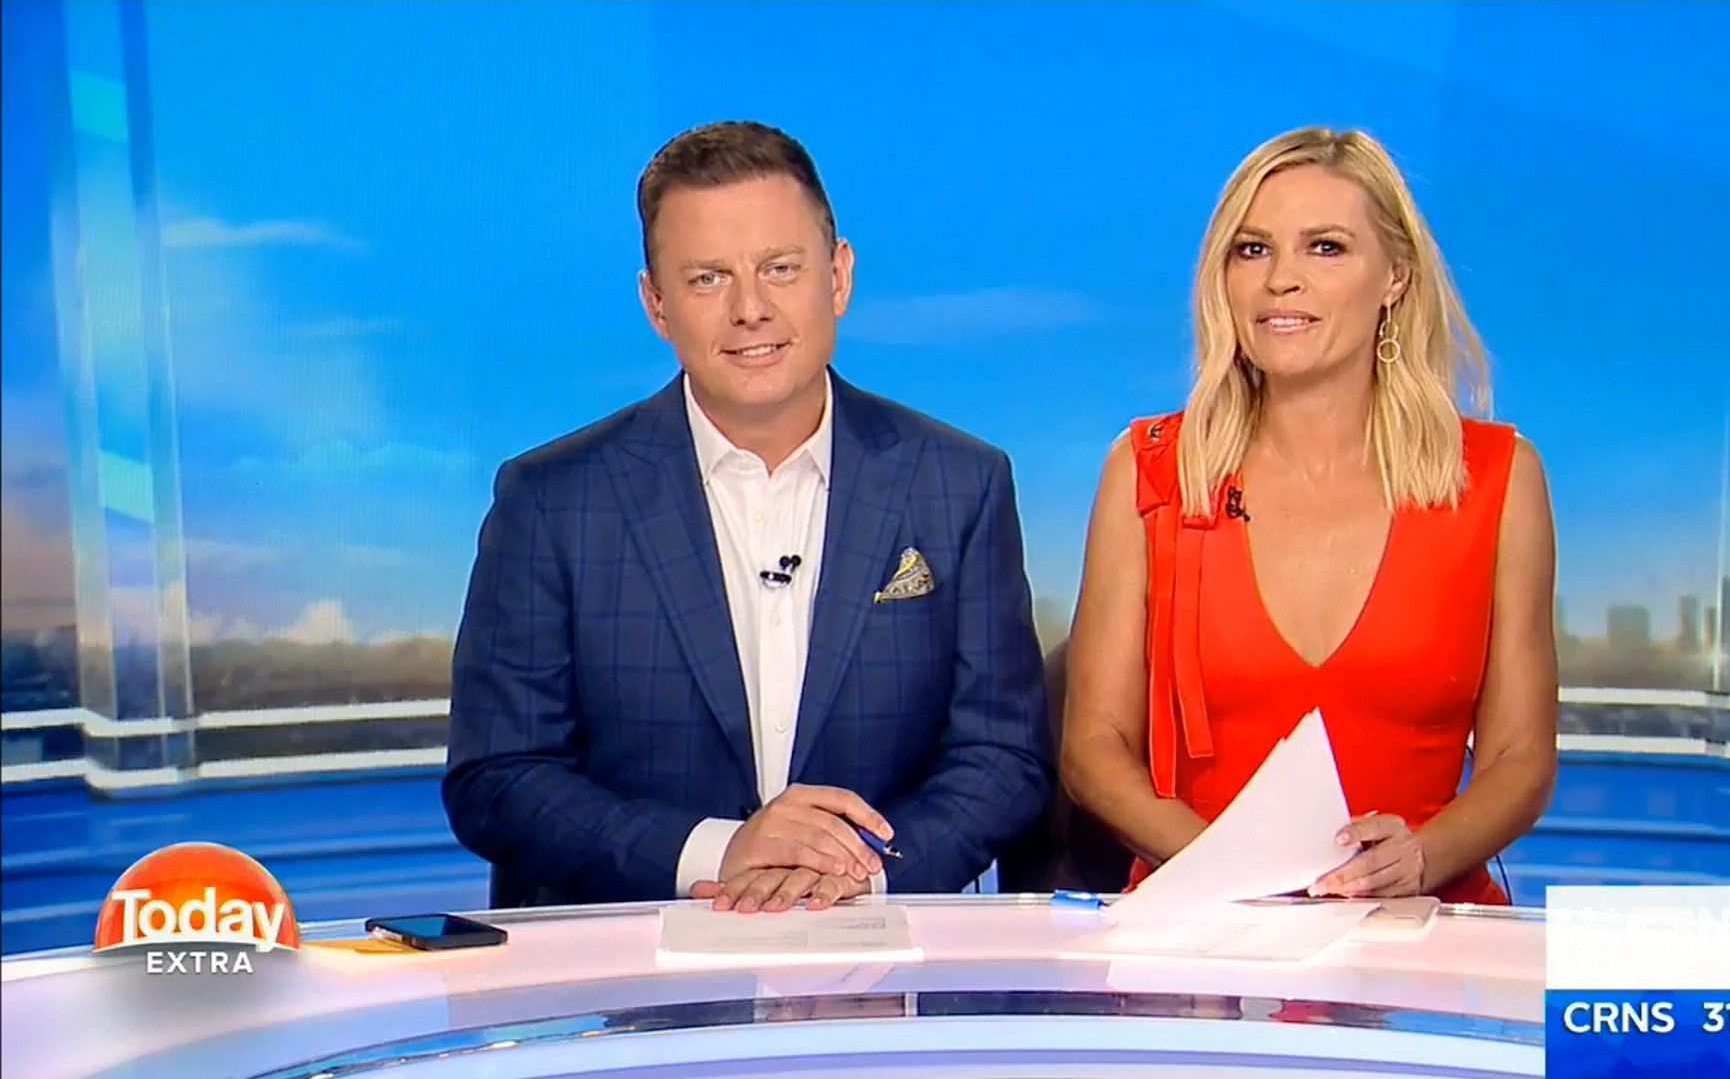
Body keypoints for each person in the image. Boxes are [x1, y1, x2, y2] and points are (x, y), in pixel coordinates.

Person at [444, 121, 1052, 913]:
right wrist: (720, 851)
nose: (750, 309)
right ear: (656, 304)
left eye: (780, 269)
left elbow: (1003, 757)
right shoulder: (553, 501)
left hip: (882, 946)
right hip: (634, 953)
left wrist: (857, 869)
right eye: (708, 279)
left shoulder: (959, 483)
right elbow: (498, 777)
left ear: (838, 276)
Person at [1060, 127, 1557, 904]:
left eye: (1325, 248)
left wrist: (1421, 857)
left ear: (1395, 275)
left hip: (1424, 926)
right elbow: (1094, 748)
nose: (1280, 280)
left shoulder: (1498, 478)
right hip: (1205, 929)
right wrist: (1233, 873)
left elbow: (1519, 759)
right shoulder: (1151, 472)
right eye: (1252, 250)